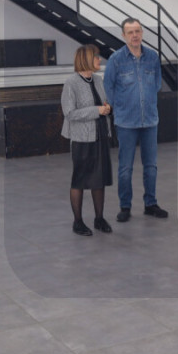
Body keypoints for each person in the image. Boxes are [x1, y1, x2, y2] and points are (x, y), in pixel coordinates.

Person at [103, 17, 168, 222]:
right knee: (125, 167)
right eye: (130, 32)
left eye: (138, 31)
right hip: (126, 122)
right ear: (123, 35)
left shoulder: (152, 57)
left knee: (151, 166)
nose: (135, 35)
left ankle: (151, 204)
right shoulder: (116, 59)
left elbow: (157, 83)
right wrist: (121, 107)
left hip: (149, 120)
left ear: (142, 33)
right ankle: (125, 206)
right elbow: (108, 86)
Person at [61, 44, 113, 236]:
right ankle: (78, 222)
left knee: (99, 178)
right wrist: (97, 110)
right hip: (81, 139)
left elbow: (103, 103)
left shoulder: (98, 80)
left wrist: (107, 108)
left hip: (100, 135)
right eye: (96, 56)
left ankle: (99, 219)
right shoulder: (71, 83)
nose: (99, 59)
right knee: (80, 180)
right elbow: (69, 113)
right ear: (86, 59)